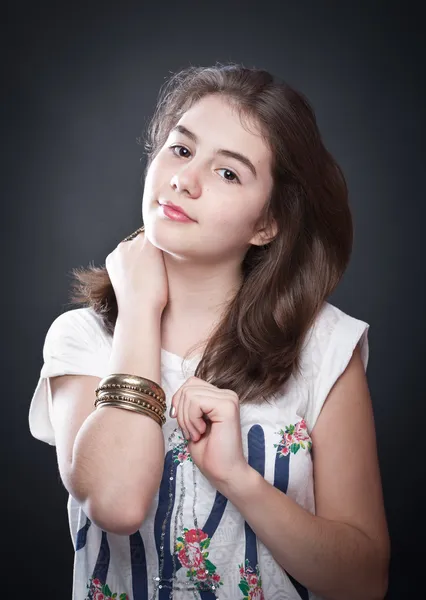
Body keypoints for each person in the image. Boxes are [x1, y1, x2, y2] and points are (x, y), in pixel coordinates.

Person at [28, 64, 390, 600]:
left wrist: (237, 480)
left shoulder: (324, 347)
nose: (184, 179)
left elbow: (364, 582)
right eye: (180, 149)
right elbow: (117, 503)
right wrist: (139, 309)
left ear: (267, 224)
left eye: (228, 173)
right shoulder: (82, 338)